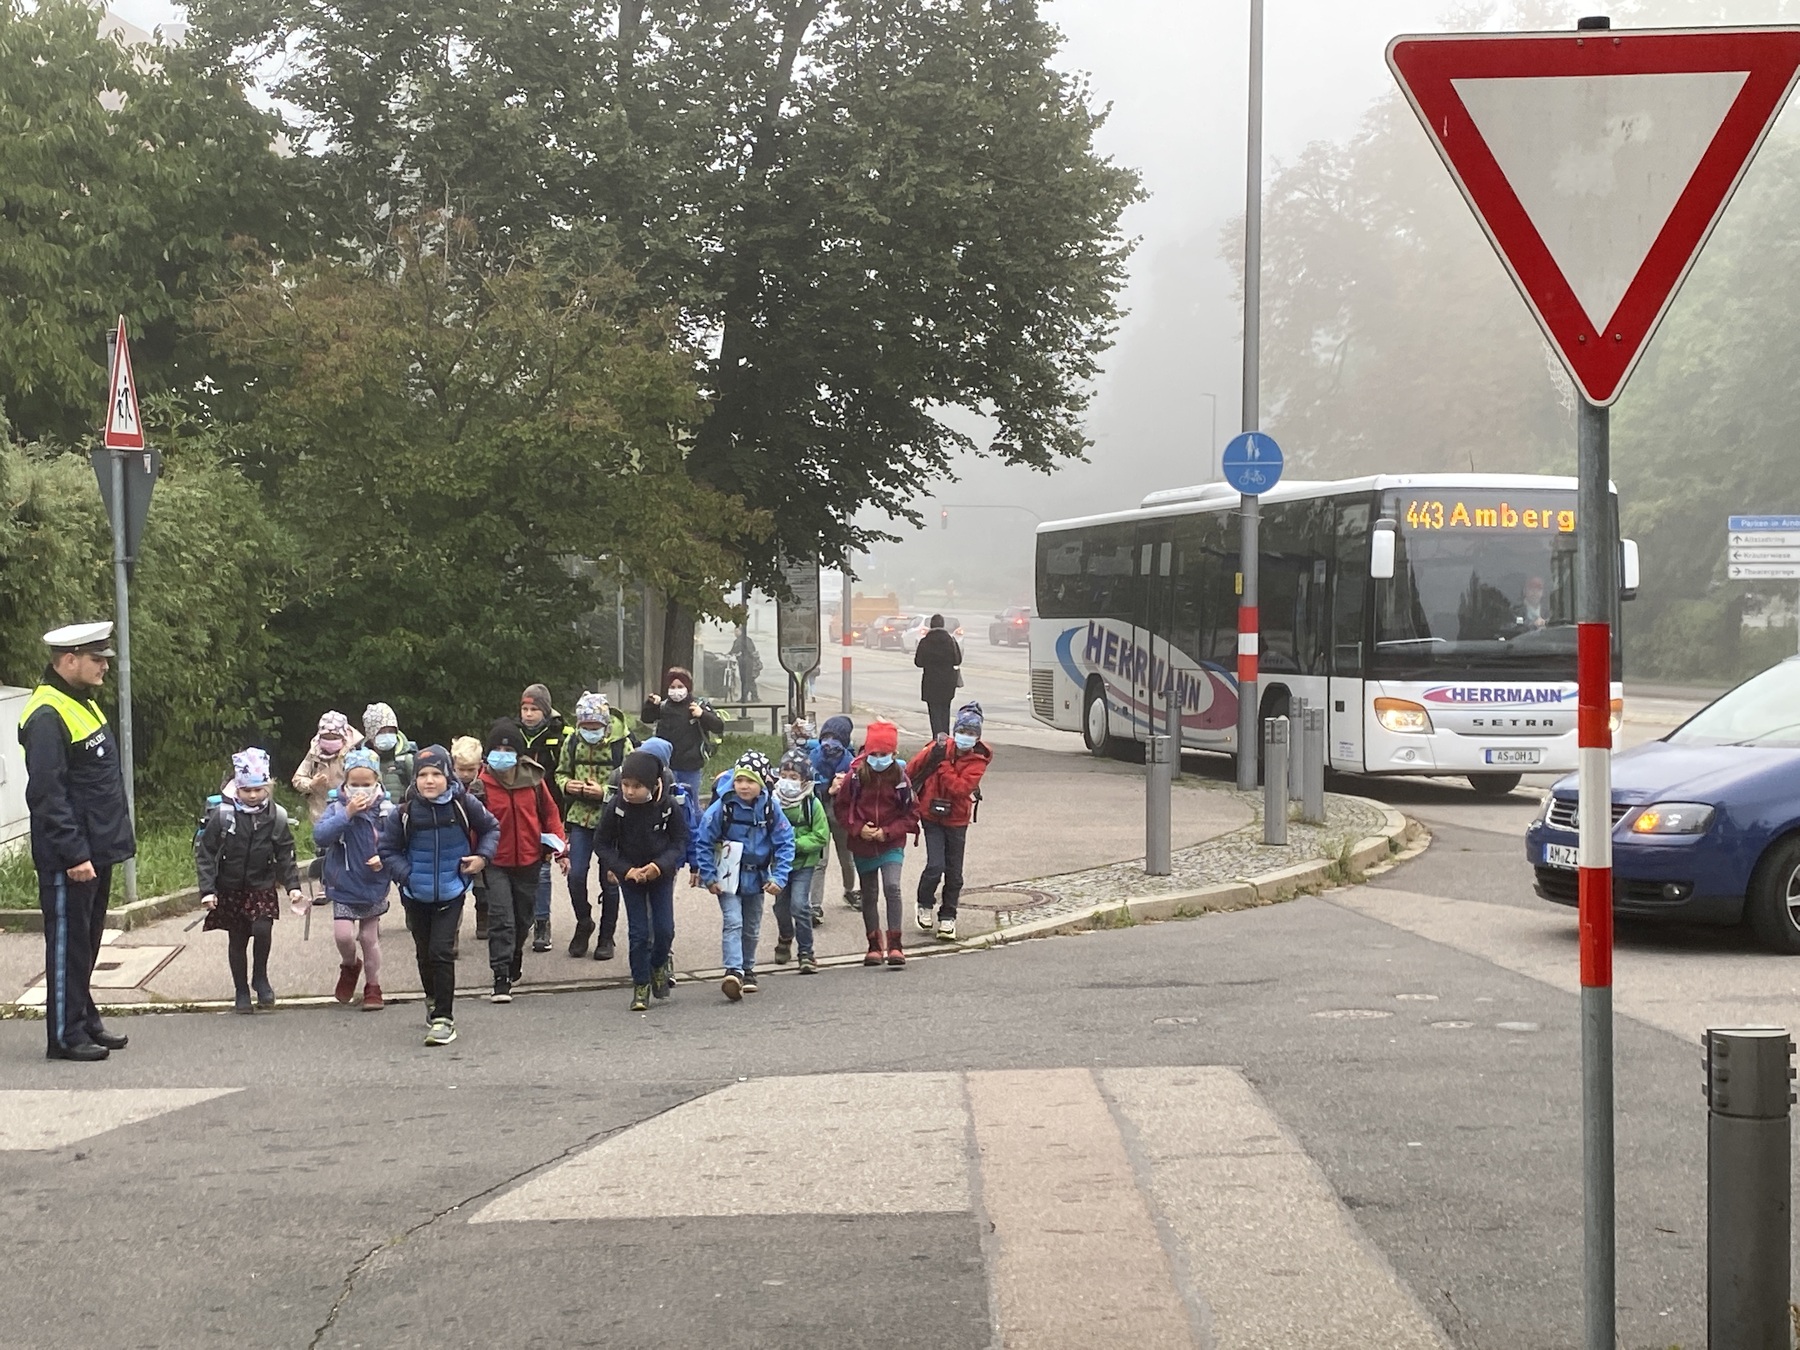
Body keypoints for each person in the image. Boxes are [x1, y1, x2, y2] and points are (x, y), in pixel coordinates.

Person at [18, 622, 136, 1061]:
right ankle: (65, 1036)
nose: (105, 665)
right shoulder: (47, 714)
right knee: (68, 945)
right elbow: (48, 794)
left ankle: (85, 1021)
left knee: (86, 941)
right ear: (69, 661)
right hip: (72, 855)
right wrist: (74, 854)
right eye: (96, 658)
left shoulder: (79, 701)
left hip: (95, 848)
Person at [378, 745, 500, 1046]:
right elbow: (387, 849)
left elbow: (491, 829)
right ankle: (432, 999)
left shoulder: (464, 803)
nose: (429, 781)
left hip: (452, 890)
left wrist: (482, 858)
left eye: (436, 774)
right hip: (414, 893)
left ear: (448, 775)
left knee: (441, 952)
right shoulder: (404, 811)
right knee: (424, 952)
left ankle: (445, 1018)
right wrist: (406, 875)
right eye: (422, 775)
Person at [196, 749, 304, 1015]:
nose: (253, 795)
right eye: (247, 790)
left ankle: (260, 977)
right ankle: (241, 990)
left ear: (267, 787)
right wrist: (208, 889)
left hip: (262, 884)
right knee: (238, 939)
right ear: (237, 788)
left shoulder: (275, 816)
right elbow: (206, 852)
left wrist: (293, 887)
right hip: (230, 887)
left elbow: (285, 853)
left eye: (258, 789)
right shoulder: (224, 815)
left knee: (263, 928)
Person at [478, 718, 569, 1002]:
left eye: (508, 749)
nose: (502, 753)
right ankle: (501, 975)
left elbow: (551, 816)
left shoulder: (534, 781)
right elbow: (471, 823)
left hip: (530, 860)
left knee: (523, 918)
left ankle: (515, 953)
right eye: (496, 748)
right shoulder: (480, 786)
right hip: (496, 862)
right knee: (501, 918)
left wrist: (560, 850)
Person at [596, 748, 690, 1011]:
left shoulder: (668, 807)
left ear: (653, 785)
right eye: (625, 785)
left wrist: (659, 866)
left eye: (636, 786)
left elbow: (680, 840)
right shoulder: (617, 807)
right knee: (638, 934)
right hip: (631, 877)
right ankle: (640, 985)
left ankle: (659, 964)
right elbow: (602, 843)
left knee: (664, 930)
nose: (629, 791)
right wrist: (624, 870)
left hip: (659, 876)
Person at [697, 750, 794, 1002]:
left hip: (757, 877)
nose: (743, 786)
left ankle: (748, 969)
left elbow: (785, 842)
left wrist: (780, 877)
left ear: (761, 783)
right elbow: (704, 840)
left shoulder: (770, 808)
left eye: (750, 781)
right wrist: (708, 876)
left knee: (751, 927)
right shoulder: (723, 807)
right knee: (733, 921)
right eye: (739, 780)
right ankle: (734, 971)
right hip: (727, 878)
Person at [313, 748, 395, 1010]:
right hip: (344, 883)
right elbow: (321, 836)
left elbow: (396, 842)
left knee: (369, 939)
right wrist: (346, 814)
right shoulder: (336, 807)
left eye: (366, 784)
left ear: (377, 782)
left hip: (373, 883)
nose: (361, 789)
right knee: (343, 936)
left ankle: (373, 986)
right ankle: (350, 965)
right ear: (345, 783)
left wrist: (383, 857)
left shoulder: (385, 810)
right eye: (354, 784)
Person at [907, 701, 993, 941]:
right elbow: (912, 770)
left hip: (957, 819)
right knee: (935, 865)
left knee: (954, 873)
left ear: (978, 736)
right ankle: (924, 903)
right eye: (963, 731)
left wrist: (944, 767)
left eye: (972, 733)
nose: (966, 737)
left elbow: (960, 788)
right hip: (931, 815)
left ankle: (948, 916)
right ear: (955, 730)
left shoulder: (978, 761)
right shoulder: (938, 748)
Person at [835, 719, 917, 968]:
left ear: (894, 753)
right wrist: (860, 829)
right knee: (869, 894)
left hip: (891, 842)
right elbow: (842, 808)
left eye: (884, 754)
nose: (879, 759)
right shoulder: (855, 777)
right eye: (874, 754)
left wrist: (887, 832)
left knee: (892, 887)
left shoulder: (901, 779)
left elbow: (912, 813)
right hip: (863, 844)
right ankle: (873, 944)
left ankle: (895, 944)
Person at [557, 690, 633, 959]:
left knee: (609, 880)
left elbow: (633, 783)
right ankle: (584, 921)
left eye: (595, 728)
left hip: (611, 820)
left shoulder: (621, 745)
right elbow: (560, 773)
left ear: (605, 725)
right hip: (579, 818)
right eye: (585, 727)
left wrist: (604, 792)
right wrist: (568, 785)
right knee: (576, 875)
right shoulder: (571, 742)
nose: (589, 732)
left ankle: (606, 936)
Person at [518, 683, 568, 952]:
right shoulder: (512, 734)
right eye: (524, 709)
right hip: (519, 809)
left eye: (534, 709)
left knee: (543, 870)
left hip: (549, 807)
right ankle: (522, 919)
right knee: (521, 869)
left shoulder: (561, 735)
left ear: (545, 711)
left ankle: (542, 922)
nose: (528, 714)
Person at [771, 749, 830, 973]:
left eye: (794, 778)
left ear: (804, 780)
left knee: (799, 905)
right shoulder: (773, 802)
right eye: (784, 776)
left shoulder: (811, 804)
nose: (788, 782)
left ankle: (806, 952)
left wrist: (794, 843)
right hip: (779, 865)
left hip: (804, 863)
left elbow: (821, 835)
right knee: (780, 908)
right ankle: (785, 936)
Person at [641, 667, 724, 798]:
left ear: (688, 687)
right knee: (665, 800)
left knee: (691, 802)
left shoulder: (697, 706)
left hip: (690, 766)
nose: (676, 690)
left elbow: (718, 726)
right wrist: (651, 704)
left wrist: (702, 715)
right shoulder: (663, 707)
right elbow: (646, 718)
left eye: (680, 686)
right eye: (672, 687)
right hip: (666, 766)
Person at [811, 715, 859, 911]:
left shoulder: (850, 762)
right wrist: (827, 790)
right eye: (826, 737)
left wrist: (846, 786)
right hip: (819, 815)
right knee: (819, 862)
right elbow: (806, 788)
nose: (829, 743)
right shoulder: (814, 757)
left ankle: (850, 890)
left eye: (835, 738)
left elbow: (858, 792)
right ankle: (814, 905)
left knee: (846, 858)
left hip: (841, 817)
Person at [450, 736, 491, 939]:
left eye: (470, 770)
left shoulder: (487, 784)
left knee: (482, 890)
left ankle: (483, 919)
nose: (465, 775)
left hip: (479, 845)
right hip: (455, 845)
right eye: (461, 769)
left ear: (479, 765)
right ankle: (452, 934)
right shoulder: (447, 786)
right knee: (454, 894)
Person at [291, 710, 362, 824]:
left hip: (348, 816)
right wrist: (311, 784)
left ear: (343, 736)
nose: (330, 740)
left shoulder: (354, 755)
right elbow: (297, 779)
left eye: (334, 737)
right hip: (319, 817)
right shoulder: (314, 753)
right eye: (326, 737)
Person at [913, 614, 963, 737]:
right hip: (948, 681)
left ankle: (937, 738)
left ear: (931, 625)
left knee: (934, 710)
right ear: (942, 625)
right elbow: (957, 660)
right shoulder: (951, 641)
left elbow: (918, 662)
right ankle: (945, 738)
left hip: (931, 680)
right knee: (945, 709)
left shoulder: (925, 642)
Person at [362, 702, 416, 798]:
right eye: (381, 732)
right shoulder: (361, 761)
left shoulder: (406, 760)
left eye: (391, 731)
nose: (387, 735)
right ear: (371, 735)